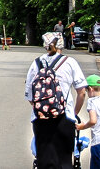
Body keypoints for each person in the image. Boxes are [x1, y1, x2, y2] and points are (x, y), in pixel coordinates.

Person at [25, 32, 87, 169]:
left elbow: (30, 96)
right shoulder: (70, 62)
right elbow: (81, 92)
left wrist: (44, 107)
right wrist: (74, 112)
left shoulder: (36, 64)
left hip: (40, 119)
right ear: (61, 45)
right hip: (65, 117)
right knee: (64, 161)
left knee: (44, 160)